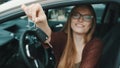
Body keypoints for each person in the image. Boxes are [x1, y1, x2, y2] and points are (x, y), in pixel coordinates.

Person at [21, 3, 103, 68]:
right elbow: (48, 37)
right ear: (70, 19)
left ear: (92, 23)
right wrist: (42, 23)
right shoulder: (63, 38)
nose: (80, 20)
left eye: (87, 17)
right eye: (76, 15)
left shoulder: (95, 44)